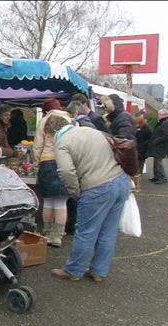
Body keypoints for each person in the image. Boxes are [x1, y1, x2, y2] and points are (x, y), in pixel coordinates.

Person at [46, 115, 131, 282]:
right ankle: (99, 272)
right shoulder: (93, 131)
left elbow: (66, 172)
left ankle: (73, 270)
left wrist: (76, 191)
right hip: (121, 181)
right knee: (108, 230)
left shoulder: (63, 143)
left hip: (97, 187)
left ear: (52, 132)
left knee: (86, 231)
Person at [32, 98, 71, 247]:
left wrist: (37, 164)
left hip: (47, 161)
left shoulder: (44, 121)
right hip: (64, 161)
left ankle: (46, 233)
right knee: (61, 202)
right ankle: (58, 236)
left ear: (46, 110)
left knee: (48, 201)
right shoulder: (70, 120)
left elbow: (37, 145)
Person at [147, 109, 168, 185]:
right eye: (159, 114)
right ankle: (157, 176)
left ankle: (162, 177)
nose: (158, 116)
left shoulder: (166, 123)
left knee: (158, 161)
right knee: (156, 161)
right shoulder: (163, 122)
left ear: (165, 115)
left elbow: (167, 136)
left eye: (160, 114)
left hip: (161, 145)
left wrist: (156, 140)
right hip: (158, 145)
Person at [134, 116, 152, 192]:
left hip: (142, 151)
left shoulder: (146, 130)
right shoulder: (142, 128)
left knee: (139, 167)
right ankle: (137, 182)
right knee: (139, 166)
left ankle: (138, 184)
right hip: (141, 150)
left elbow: (146, 141)